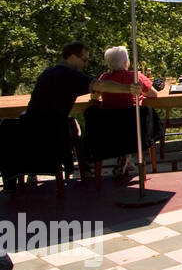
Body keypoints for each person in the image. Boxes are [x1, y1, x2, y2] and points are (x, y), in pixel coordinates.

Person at [2, 43, 142, 190]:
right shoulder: (70, 76)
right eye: (84, 60)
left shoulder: (47, 73)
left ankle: (25, 172)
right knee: (73, 127)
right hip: (54, 133)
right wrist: (128, 88)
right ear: (73, 57)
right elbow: (100, 85)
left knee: (69, 124)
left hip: (29, 130)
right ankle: (84, 169)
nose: (85, 64)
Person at [96, 45, 163, 178]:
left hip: (110, 129)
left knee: (120, 125)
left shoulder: (103, 79)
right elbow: (153, 94)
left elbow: (96, 95)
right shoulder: (135, 76)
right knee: (139, 120)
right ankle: (129, 158)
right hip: (134, 128)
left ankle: (125, 157)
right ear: (126, 62)